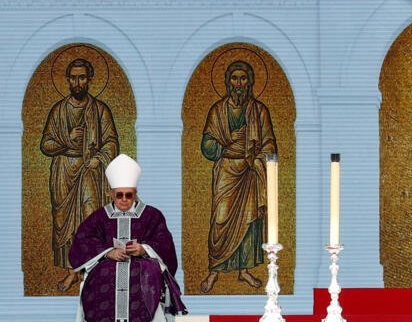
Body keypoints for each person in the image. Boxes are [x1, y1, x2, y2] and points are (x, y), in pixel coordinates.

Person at [69, 154, 186, 322]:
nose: (124, 200)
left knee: (147, 274)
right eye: (119, 195)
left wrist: (143, 249)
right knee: (101, 275)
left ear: (135, 193)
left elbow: (164, 243)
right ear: (111, 194)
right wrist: (108, 252)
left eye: (129, 195)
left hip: (143, 266)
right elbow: (83, 241)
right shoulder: (99, 216)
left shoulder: (152, 215)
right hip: (108, 266)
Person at [40, 57, 120, 291]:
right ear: (67, 80)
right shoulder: (58, 111)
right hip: (64, 171)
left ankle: (91, 271)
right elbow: (45, 145)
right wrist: (67, 139)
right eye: (73, 77)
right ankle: (71, 272)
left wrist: (99, 158)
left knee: (89, 219)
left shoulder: (100, 110)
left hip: (89, 172)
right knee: (63, 222)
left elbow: (112, 142)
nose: (77, 82)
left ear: (90, 80)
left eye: (82, 77)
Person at [199, 60, 278, 293]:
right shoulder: (217, 110)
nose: (239, 83)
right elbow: (207, 145)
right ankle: (214, 270)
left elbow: (270, 143)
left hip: (251, 171)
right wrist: (228, 143)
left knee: (249, 222)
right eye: (234, 78)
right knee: (220, 219)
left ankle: (244, 271)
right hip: (226, 170)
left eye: (243, 78)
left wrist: (256, 156)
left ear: (250, 81)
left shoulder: (259, 110)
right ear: (227, 81)